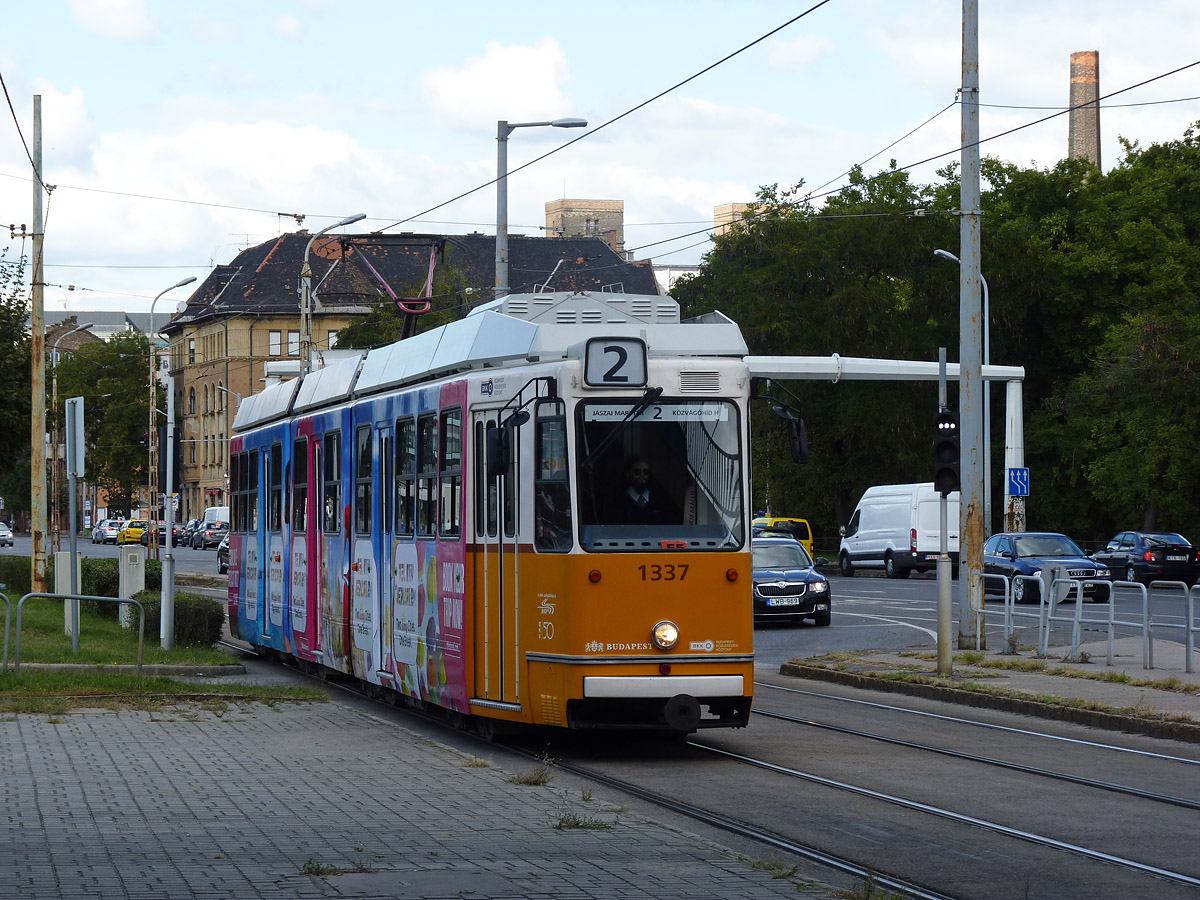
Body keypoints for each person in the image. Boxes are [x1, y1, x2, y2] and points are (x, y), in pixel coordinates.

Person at [615, 456, 675, 525]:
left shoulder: (659, 500)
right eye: (637, 472)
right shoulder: (618, 501)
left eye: (646, 472)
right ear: (628, 474)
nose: (642, 475)